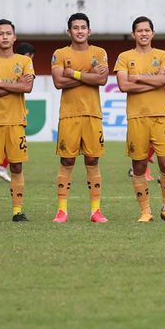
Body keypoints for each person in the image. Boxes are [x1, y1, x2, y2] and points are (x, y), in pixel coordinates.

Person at [115, 16, 165, 222]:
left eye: (147, 30)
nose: (143, 33)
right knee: (139, 166)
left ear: (152, 33)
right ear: (133, 34)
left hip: (160, 116)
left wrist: (139, 77)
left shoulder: (162, 56)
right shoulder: (124, 57)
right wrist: (154, 82)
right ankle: (145, 212)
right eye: (139, 30)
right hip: (137, 118)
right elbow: (124, 86)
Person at [50, 13, 109, 223]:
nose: (80, 31)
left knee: (92, 160)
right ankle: (62, 210)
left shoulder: (99, 52)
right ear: (69, 32)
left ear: (89, 31)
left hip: (93, 114)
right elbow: (58, 82)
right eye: (76, 28)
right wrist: (88, 75)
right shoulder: (60, 53)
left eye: (83, 27)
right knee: (67, 161)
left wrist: (73, 73)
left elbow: (102, 80)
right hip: (69, 115)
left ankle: (95, 211)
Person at [0, 19, 35, 222]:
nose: (4, 37)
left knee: (17, 167)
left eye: (8, 33)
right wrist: (14, 85)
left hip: (16, 121)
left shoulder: (25, 61)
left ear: (14, 37)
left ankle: (17, 211)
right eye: (0, 33)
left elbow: (27, 88)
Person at [0, 42, 36, 182]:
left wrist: (1, 84)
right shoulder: (18, 65)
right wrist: (18, 84)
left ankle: (1, 167)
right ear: (28, 55)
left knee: (11, 144)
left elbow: (26, 87)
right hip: (4, 114)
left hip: (12, 111)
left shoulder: (21, 66)